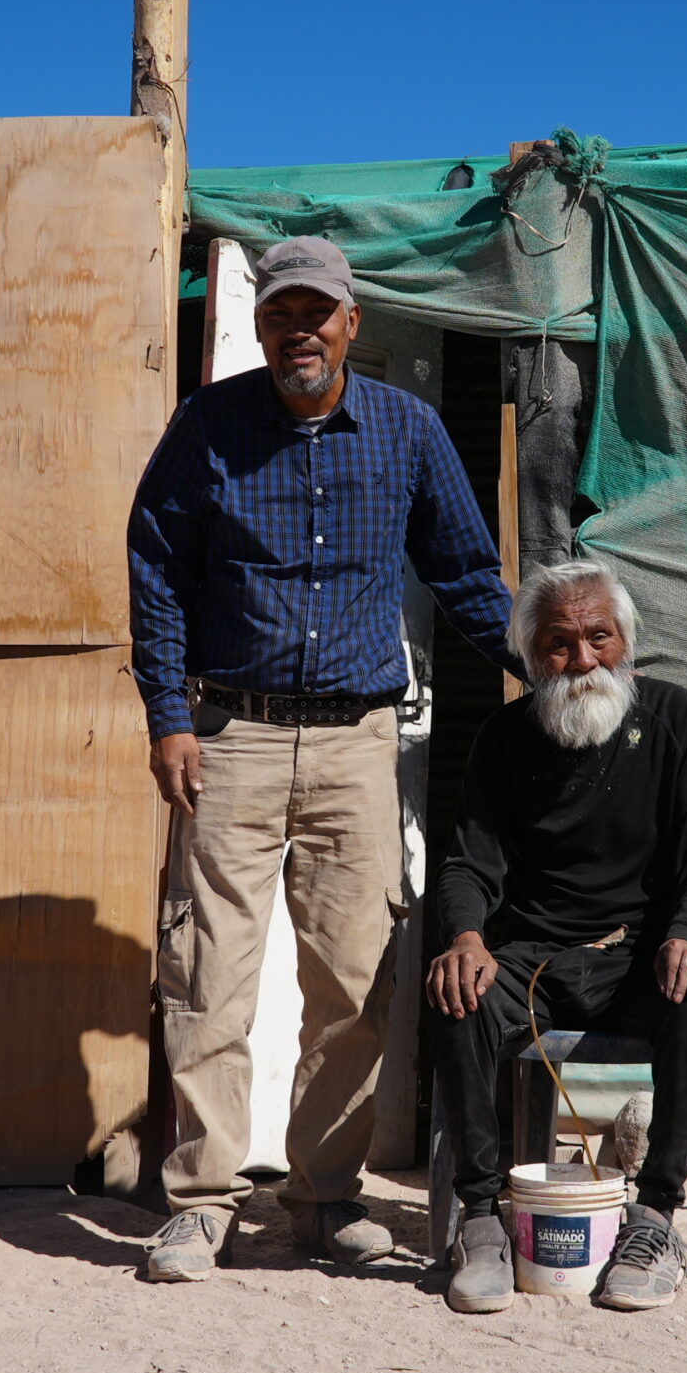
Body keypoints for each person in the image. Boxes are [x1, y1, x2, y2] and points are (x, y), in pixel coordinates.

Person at [127, 235, 520, 1282]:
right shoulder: (208, 427)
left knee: (356, 980)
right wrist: (168, 714)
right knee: (208, 972)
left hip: (354, 742)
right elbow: (155, 570)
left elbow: (466, 571)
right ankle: (201, 1201)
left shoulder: (406, 429)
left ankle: (325, 1196)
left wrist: (555, 667)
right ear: (260, 328)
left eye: (316, 314)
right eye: (278, 315)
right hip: (230, 736)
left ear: (353, 324)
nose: (297, 331)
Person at [428, 559, 687, 1313]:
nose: (583, 660)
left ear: (626, 641)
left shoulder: (677, 719)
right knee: (456, 996)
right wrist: (466, 937)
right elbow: (470, 861)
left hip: (641, 957)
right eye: (560, 645)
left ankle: (656, 1214)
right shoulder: (503, 738)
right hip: (532, 957)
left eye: (599, 637)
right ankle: (481, 1216)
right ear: (533, 658)